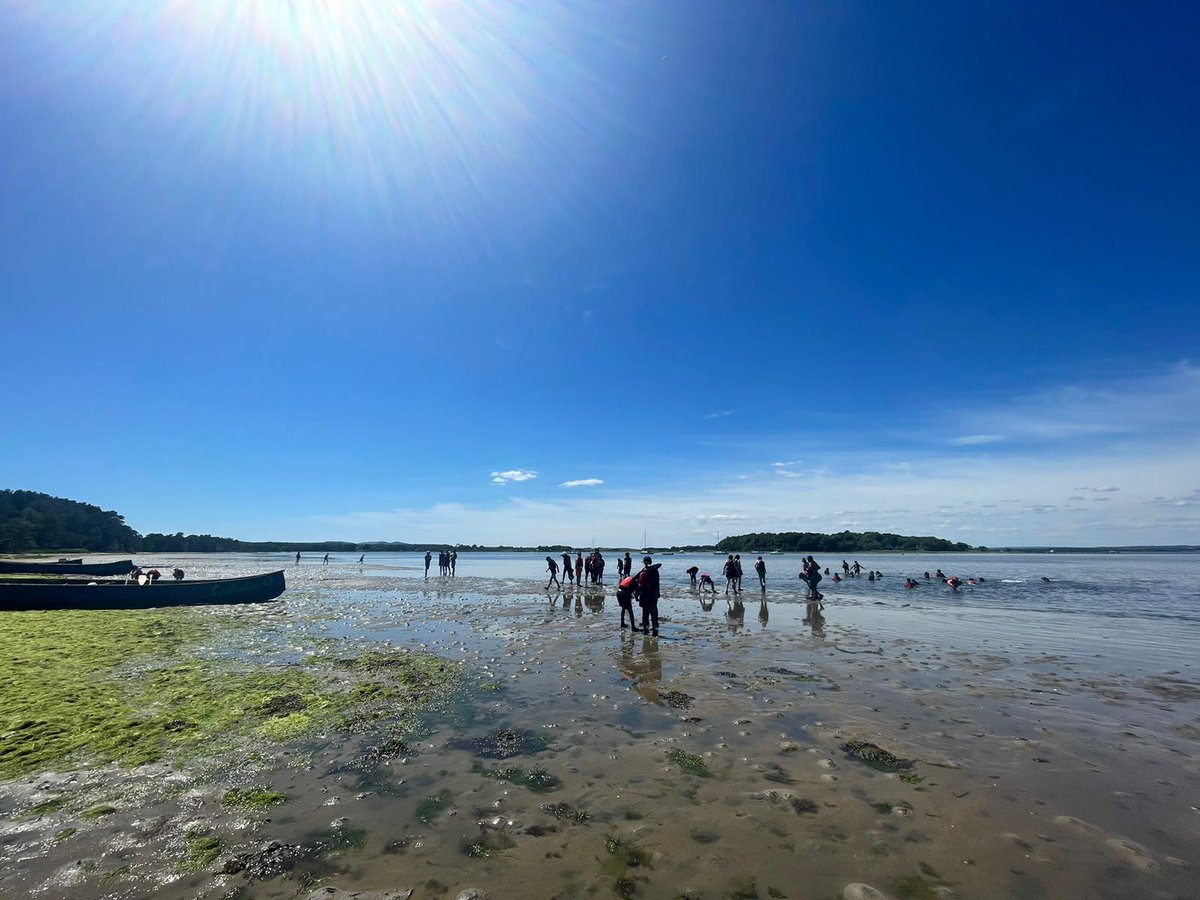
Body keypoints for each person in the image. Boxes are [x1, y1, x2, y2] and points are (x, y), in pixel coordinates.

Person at [637, 556, 662, 635]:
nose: (646, 564)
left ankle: (649, 629)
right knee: (651, 612)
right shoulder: (646, 571)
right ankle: (650, 628)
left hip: (647, 594)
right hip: (648, 594)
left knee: (647, 612)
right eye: (645, 562)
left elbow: (659, 565)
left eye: (646, 562)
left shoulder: (649, 571)